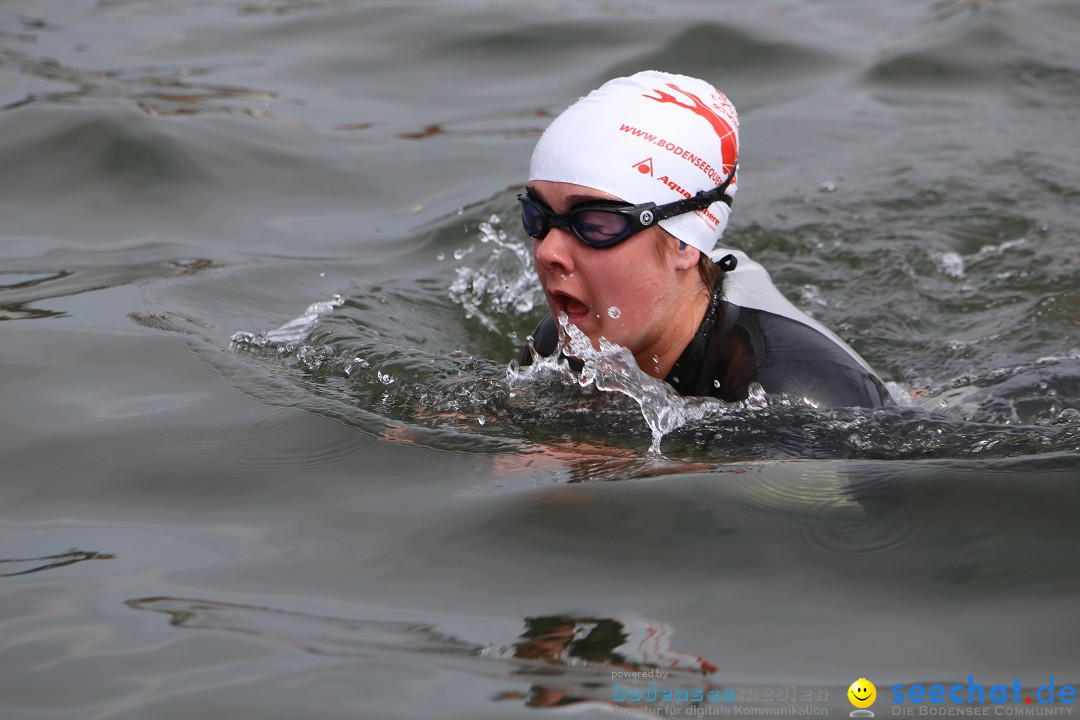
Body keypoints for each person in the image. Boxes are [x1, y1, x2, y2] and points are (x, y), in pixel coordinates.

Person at [516, 70, 891, 409]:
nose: (548, 251)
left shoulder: (803, 397)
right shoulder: (561, 342)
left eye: (595, 225)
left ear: (685, 242)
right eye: (537, 216)